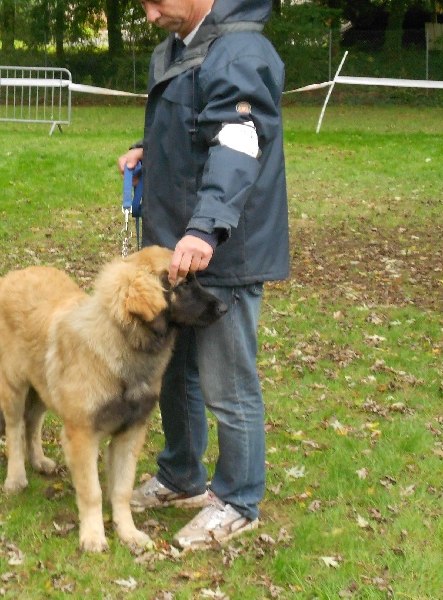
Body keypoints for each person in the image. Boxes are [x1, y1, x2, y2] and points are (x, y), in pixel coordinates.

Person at [117, 0, 289, 550]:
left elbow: (238, 144)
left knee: (227, 383)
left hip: (223, 250)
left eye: (155, 1)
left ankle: (238, 500)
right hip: (178, 250)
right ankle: (181, 474)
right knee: (176, 373)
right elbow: (195, 131)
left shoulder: (239, 51)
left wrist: (207, 226)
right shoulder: (174, 48)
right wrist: (149, 151)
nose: (148, 15)